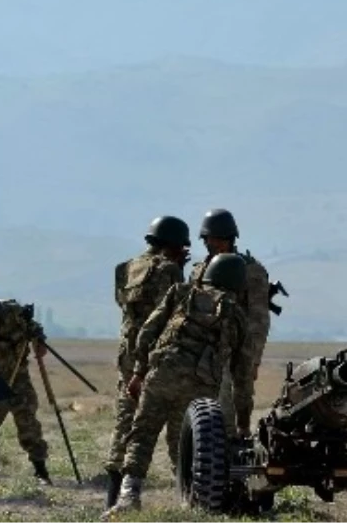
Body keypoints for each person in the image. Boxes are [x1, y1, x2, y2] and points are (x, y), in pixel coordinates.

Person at [106, 253, 253, 516]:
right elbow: (242, 375)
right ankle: (190, 503)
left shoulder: (181, 293)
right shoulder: (238, 316)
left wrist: (139, 373)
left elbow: (147, 333)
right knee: (186, 445)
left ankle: (129, 497)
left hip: (162, 374)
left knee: (142, 435)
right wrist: (243, 421)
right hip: (199, 387)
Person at [104, 215, 191, 508]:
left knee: (125, 423)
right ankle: (187, 497)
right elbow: (174, 312)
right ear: (175, 245)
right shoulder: (169, 271)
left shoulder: (126, 268)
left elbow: (124, 306)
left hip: (128, 356)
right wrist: (179, 271)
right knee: (174, 425)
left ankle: (113, 499)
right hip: (156, 358)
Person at [188, 208, 272, 418]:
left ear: (230, 239)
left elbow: (258, 319)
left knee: (231, 407)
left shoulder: (250, 270)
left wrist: (253, 360)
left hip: (235, 349)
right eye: (208, 239)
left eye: (218, 239)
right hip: (200, 351)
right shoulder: (199, 270)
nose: (212, 244)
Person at [0, 292, 53, 486]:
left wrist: (39, 341)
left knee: (27, 419)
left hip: (17, 374)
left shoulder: (14, 314)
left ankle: (40, 470)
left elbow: (34, 328)